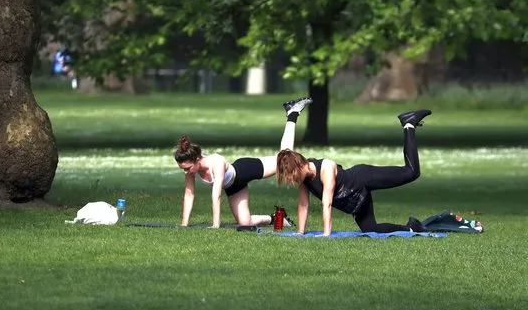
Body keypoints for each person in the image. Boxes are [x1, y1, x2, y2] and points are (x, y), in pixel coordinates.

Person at [276, 109, 433, 236]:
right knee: (371, 229)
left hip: (364, 178)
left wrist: (326, 234)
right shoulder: (304, 179)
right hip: (356, 201)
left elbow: (327, 204)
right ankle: (412, 228)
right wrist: (300, 232)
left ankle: (409, 124)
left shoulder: (326, 168)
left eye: (292, 175)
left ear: (299, 165)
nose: (292, 181)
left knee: (411, 172)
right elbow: (303, 205)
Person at [174, 97, 313, 228]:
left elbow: (216, 195)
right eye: (183, 169)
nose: (186, 172)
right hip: (233, 187)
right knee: (245, 223)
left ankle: (292, 112)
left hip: (244, 170)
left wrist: (216, 225)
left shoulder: (215, 162)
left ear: (197, 159)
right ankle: (279, 218)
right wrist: (184, 224)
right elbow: (189, 195)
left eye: (187, 168)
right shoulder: (191, 170)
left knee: (285, 158)